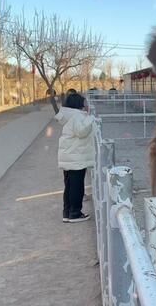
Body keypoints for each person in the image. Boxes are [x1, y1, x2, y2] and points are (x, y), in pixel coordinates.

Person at [55, 93, 95, 223]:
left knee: (69, 186)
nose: (86, 106)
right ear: (79, 104)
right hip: (76, 157)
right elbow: (81, 132)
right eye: (84, 103)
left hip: (69, 155)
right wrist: (91, 118)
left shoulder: (69, 115)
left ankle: (67, 212)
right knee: (77, 186)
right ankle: (75, 213)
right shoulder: (77, 116)